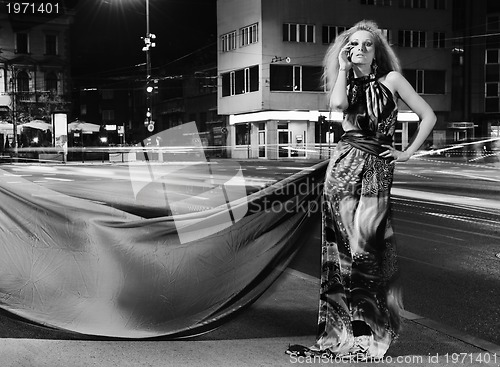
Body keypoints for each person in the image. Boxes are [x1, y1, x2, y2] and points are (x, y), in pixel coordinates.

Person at [286, 20, 436, 361]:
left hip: (379, 168)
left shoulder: (392, 81)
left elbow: (428, 116)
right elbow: (338, 105)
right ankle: (343, 331)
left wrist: (407, 152)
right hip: (343, 167)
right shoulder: (347, 83)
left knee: (366, 251)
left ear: (377, 51)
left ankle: (369, 336)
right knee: (340, 251)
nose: (359, 49)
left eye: (366, 44)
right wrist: (341, 68)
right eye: (353, 45)